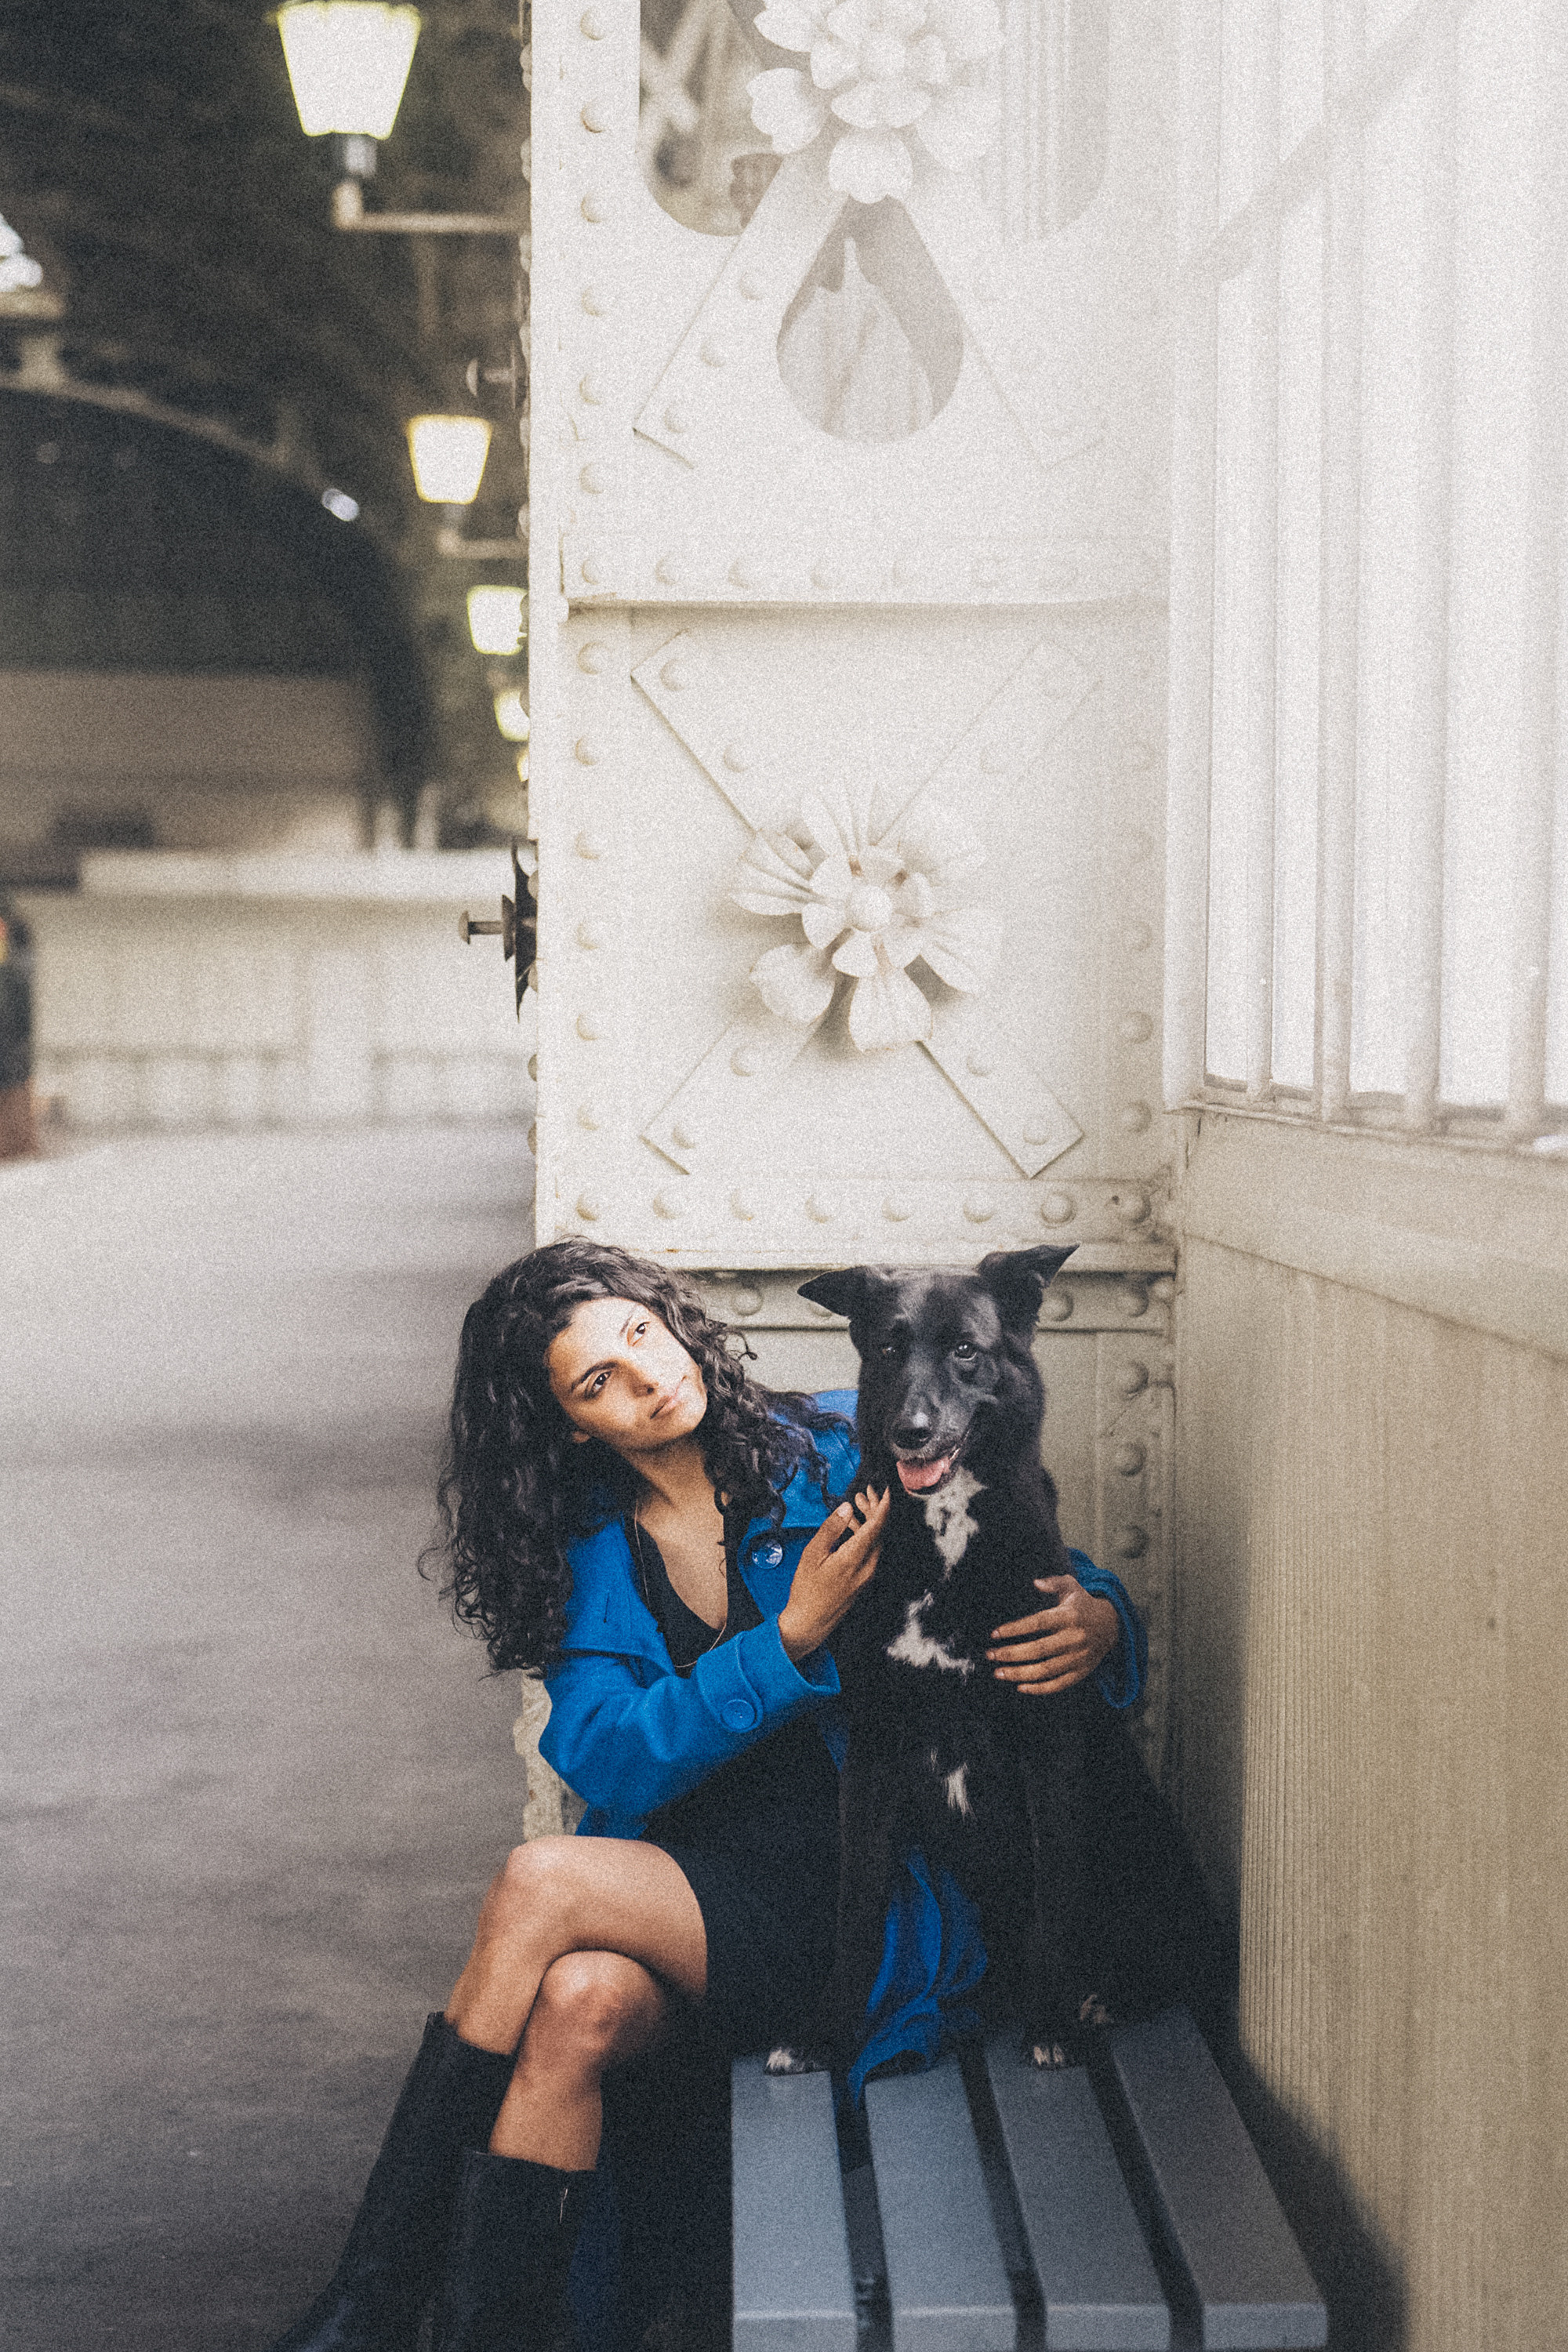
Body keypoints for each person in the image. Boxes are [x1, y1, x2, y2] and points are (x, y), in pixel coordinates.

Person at [266, 1240, 1134, 2352]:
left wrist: (1106, 1619)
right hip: (696, 1900)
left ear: (671, 1320)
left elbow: (1023, 1545)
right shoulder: (590, 1548)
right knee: (577, 2002)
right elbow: (608, 1757)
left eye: (639, 1335)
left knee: (542, 1880)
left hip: (862, 1890)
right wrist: (789, 1641)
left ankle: (369, 2309)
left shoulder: (834, 1447)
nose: (643, 1378)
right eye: (598, 1384)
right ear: (572, 1425)